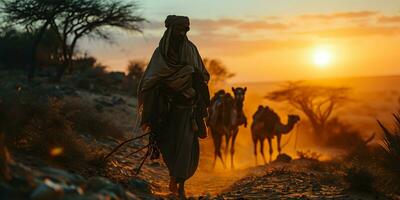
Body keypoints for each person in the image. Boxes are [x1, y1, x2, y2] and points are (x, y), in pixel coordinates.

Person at [137, 15, 210, 198]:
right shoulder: (160, 54)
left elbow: (203, 75)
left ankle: (181, 184)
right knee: (167, 146)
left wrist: (191, 79)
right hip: (166, 110)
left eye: (184, 30)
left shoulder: (191, 50)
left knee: (185, 147)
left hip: (188, 110)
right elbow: (150, 80)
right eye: (178, 30)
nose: (181, 33)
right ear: (170, 31)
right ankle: (173, 177)